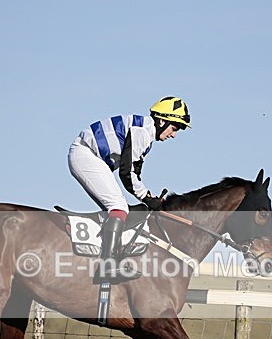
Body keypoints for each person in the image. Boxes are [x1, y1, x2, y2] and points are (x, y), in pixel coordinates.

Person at [68, 96, 191, 283]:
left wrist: (148, 197)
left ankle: (107, 255)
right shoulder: (142, 132)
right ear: (162, 121)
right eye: (174, 128)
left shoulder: (145, 133)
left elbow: (134, 174)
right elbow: (127, 173)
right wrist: (147, 198)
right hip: (86, 155)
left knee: (121, 209)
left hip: (91, 156)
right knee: (118, 207)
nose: (173, 135)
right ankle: (108, 265)